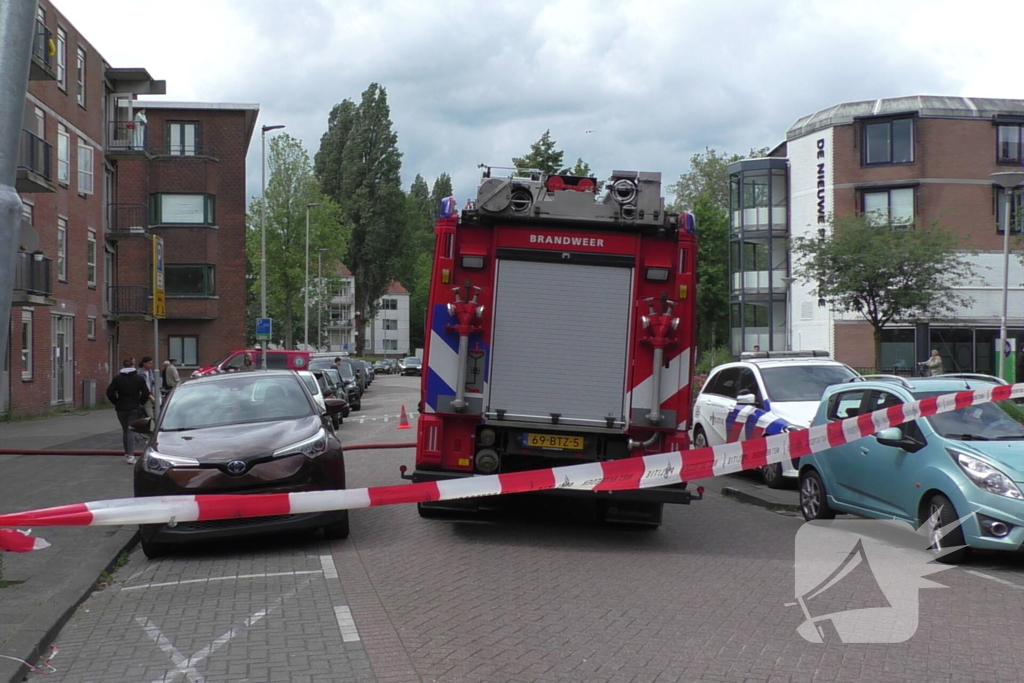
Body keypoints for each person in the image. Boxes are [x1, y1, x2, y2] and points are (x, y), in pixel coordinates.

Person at [106, 359, 152, 463]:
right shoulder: (139, 378)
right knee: (131, 430)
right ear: (132, 366)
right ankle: (130, 455)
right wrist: (141, 402)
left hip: (121, 408)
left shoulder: (117, 379)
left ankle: (127, 453)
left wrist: (116, 402)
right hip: (134, 407)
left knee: (125, 430)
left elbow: (109, 392)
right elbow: (146, 392)